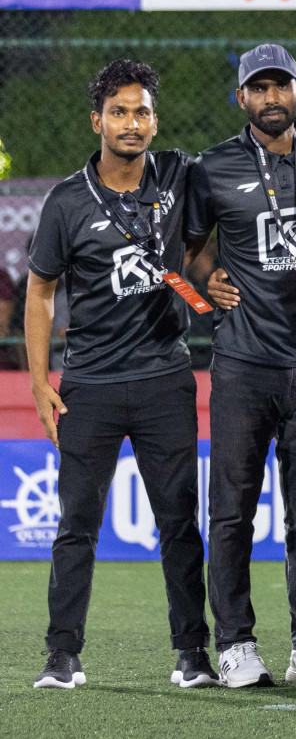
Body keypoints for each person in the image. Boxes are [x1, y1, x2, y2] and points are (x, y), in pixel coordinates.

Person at [27, 60, 216, 691]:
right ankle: (61, 657)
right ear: (97, 121)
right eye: (118, 112)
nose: (131, 124)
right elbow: (40, 293)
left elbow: (248, 161)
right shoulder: (66, 200)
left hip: (166, 378)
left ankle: (194, 655)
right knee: (76, 524)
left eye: (141, 112)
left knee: (179, 523)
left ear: (154, 120)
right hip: (90, 385)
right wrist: (38, 381)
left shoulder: (177, 173)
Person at [188, 43, 296, 689]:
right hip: (244, 362)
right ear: (242, 99)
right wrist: (207, 286)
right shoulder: (213, 167)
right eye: (259, 89)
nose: (271, 98)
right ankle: (235, 642)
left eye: (281, 87)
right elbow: (186, 253)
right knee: (232, 510)